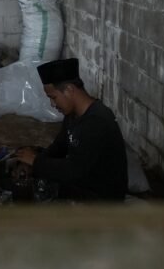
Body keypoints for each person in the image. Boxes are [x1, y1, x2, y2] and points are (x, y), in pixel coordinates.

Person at [14, 58, 128, 202]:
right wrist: (31, 163)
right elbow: (58, 148)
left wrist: (36, 162)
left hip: (101, 199)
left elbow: (74, 170)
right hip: (82, 185)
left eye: (53, 97)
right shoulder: (72, 115)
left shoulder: (98, 121)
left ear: (69, 90)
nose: (52, 104)